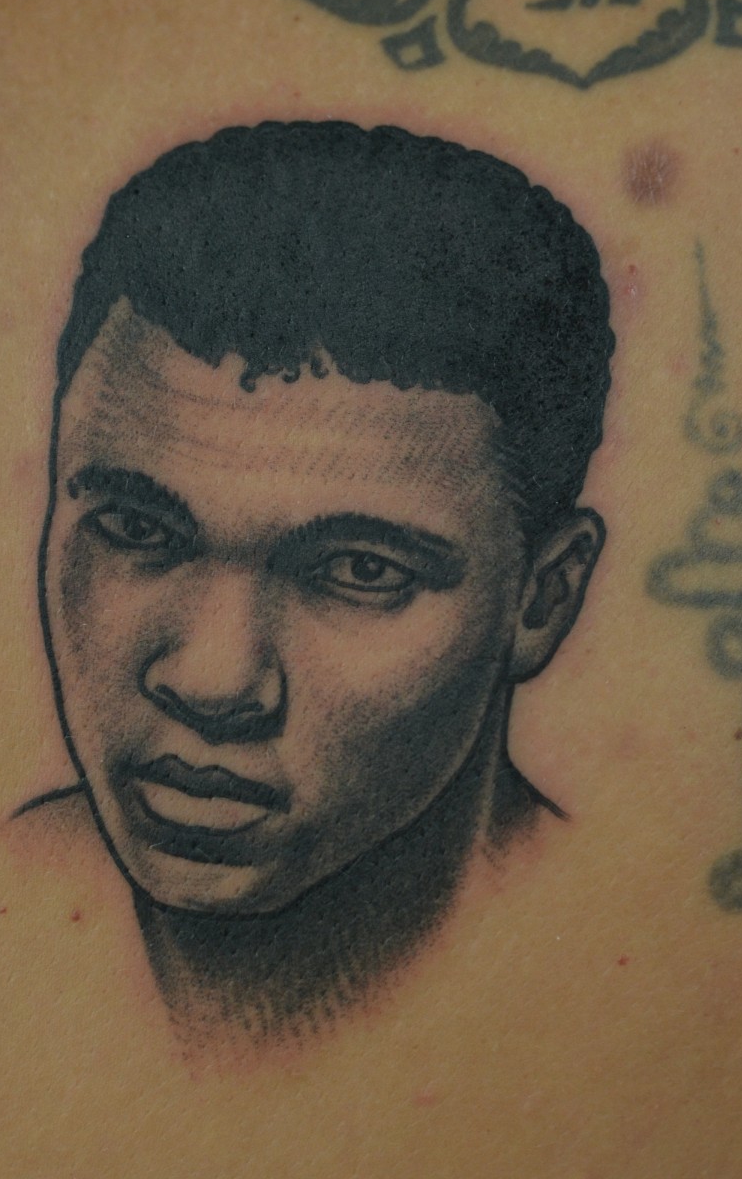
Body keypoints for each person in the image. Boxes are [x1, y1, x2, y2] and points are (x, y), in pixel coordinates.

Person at [30, 120, 613, 1043]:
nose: (213, 682)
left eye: (359, 572)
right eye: (138, 530)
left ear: (543, 599)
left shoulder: (655, 973)